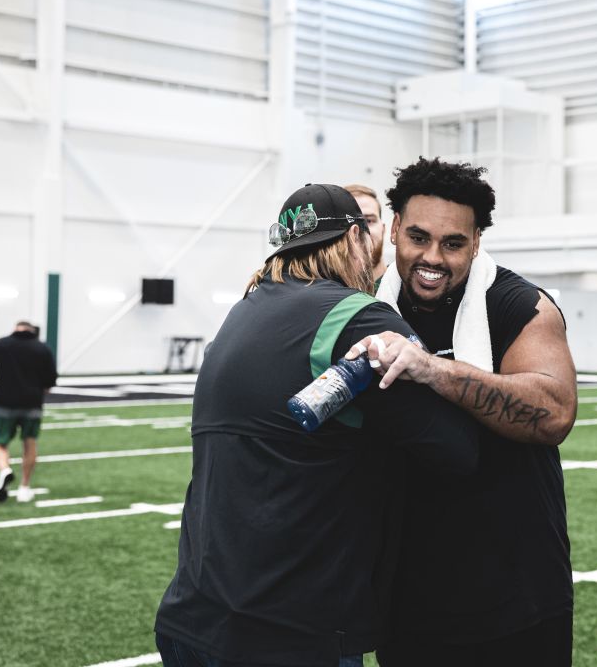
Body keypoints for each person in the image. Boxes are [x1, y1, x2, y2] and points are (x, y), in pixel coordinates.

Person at [154, 183, 480, 667]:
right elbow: (458, 451)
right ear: (355, 238)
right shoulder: (357, 317)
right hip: (288, 631)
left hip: (191, 616)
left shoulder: (239, 315)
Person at [345, 157, 579, 667]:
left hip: (515, 595)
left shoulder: (518, 304)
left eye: (453, 244)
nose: (433, 257)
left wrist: (432, 370)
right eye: (418, 237)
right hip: (408, 597)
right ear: (393, 232)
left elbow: (555, 412)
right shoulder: (365, 308)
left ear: (476, 243)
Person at [0, 320, 57, 504]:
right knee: (29, 444)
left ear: (15, 329)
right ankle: (24, 488)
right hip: (32, 403)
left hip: (4, 403)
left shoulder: (0, 344)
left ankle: (5, 469)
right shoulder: (42, 348)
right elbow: (50, 382)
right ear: (32, 331)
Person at [345, 183, 386, 272]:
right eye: (349, 221)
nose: (357, 230)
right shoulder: (319, 285)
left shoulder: (407, 285)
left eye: (368, 221)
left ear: (383, 229)